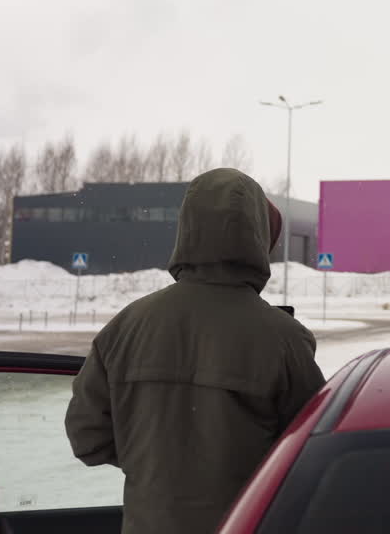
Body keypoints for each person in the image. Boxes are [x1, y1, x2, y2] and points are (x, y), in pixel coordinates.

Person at [65, 168, 325, 534]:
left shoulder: (125, 327)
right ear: (258, 237)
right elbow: (310, 456)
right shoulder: (284, 340)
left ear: (187, 229)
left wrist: (157, 463)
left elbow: (87, 438)